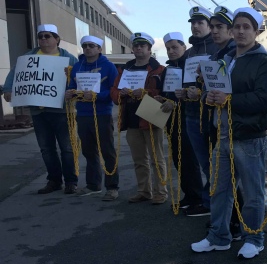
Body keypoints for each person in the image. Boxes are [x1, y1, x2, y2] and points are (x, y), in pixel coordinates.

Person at [190, 7, 267, 259]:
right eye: (237, 26)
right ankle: (219, 237)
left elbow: (264, 99)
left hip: (249, 137)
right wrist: (208, 97)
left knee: (252, 193)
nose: (240, 31)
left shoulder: (264, 63)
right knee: (219, 191)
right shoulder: (224, 61)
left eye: (246, 27)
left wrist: (229, 100)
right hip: (223, 134)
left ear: (256, 32)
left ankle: (254, 239)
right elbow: (214, 92)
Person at [2, 24, 78, 194]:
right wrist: (7, 89)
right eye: (40, 36)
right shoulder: (28, 58)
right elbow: (14, 74)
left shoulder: (69, 59)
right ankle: (54, 180)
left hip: (62, 111)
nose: (43, 39)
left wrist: (74, 92)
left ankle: (71, 181)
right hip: (38, 111)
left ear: (57, 39)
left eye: (47, 36)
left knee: (67, 148)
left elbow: (78, 79)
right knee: (46, 148)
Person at [111, 32, 168, 204]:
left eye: (142, 46)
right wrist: (120, 94)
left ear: (150, 49)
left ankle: (161, 192)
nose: (139, 48)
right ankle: (144, 191)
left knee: (157, 158)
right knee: (139, 159)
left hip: (151, 117)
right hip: (131, 119)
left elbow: (165, 94)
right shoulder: (124, 70)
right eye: (136, 46)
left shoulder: (160, 70)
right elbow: (114, 92)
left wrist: (146, 93)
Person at [65, 35, 119, 200]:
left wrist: (97, 96)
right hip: (82, 114)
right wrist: (70, 92)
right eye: (85, 46)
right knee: (89, 152)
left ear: (99, 49)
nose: (88, 49)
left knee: (107, 152)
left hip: (102, 114)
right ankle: (93, 185)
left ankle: (112, 187)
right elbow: (72, 86)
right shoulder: (77, 66)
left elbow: (114, 90)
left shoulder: (108, 67)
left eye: (91, 46)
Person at [207, 6, 244, 241]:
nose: (214, 31)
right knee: (222, 179)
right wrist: (206, 95)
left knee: (233, 179)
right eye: (212, 27)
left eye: (219, 27)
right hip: (218, 123)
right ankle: (224, 222)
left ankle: (236, 223)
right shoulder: (216, 56)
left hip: (234, 125)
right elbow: (210, 89)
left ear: (230, 30)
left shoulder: (234, 55)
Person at [155, 32, 204, 210]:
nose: (171, 51)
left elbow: (196, 92)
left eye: (175, 47)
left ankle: (197, 197)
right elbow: (165, 92)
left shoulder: (191, 67)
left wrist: (175, 103)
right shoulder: (167, 70)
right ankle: (189, 195)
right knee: (178, 159)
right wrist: (162, 99)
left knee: (190, 160)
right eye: (168, 48)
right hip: (171, 121)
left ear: (184, 47)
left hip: (187, 119)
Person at [178, 6, 218, 217]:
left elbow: (220, 82)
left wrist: (200, 92)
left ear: (209, 26)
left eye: (200, 22)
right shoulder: (189, 53)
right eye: (193, 23)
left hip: (210, 113)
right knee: (203, 162)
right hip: (191, 113)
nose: (195, 26)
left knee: (214, 162)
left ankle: (212, 203)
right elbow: (187, 81)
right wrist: (183, 92)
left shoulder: (217, 48)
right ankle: (208, 200)